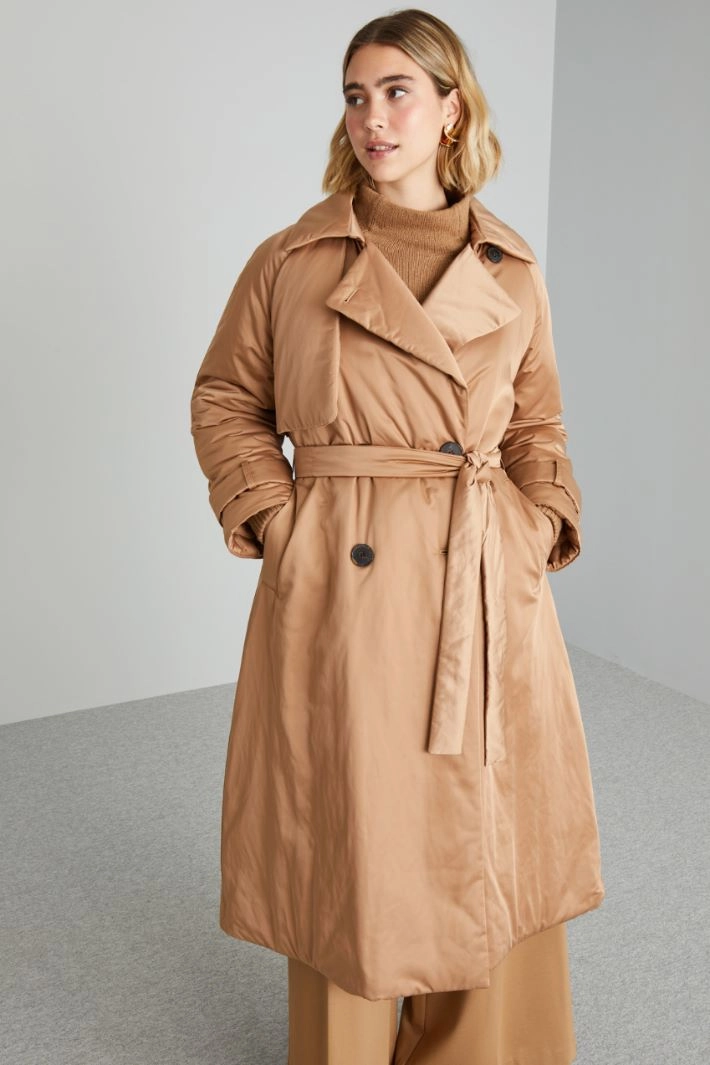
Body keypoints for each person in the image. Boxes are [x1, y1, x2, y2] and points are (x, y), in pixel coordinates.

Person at [190, 8, 605, 1064]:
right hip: (347, 577)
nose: (371, 118)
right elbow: (226, 396)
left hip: (482, 576)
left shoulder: (510, 268)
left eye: (396, 92)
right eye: (354, 95)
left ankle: (473, 1046)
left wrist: (534, 525)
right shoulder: (292, 259)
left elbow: (538, 423)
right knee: (355, 832)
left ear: (450, 109)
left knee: (485, 824)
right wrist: (282, 521)